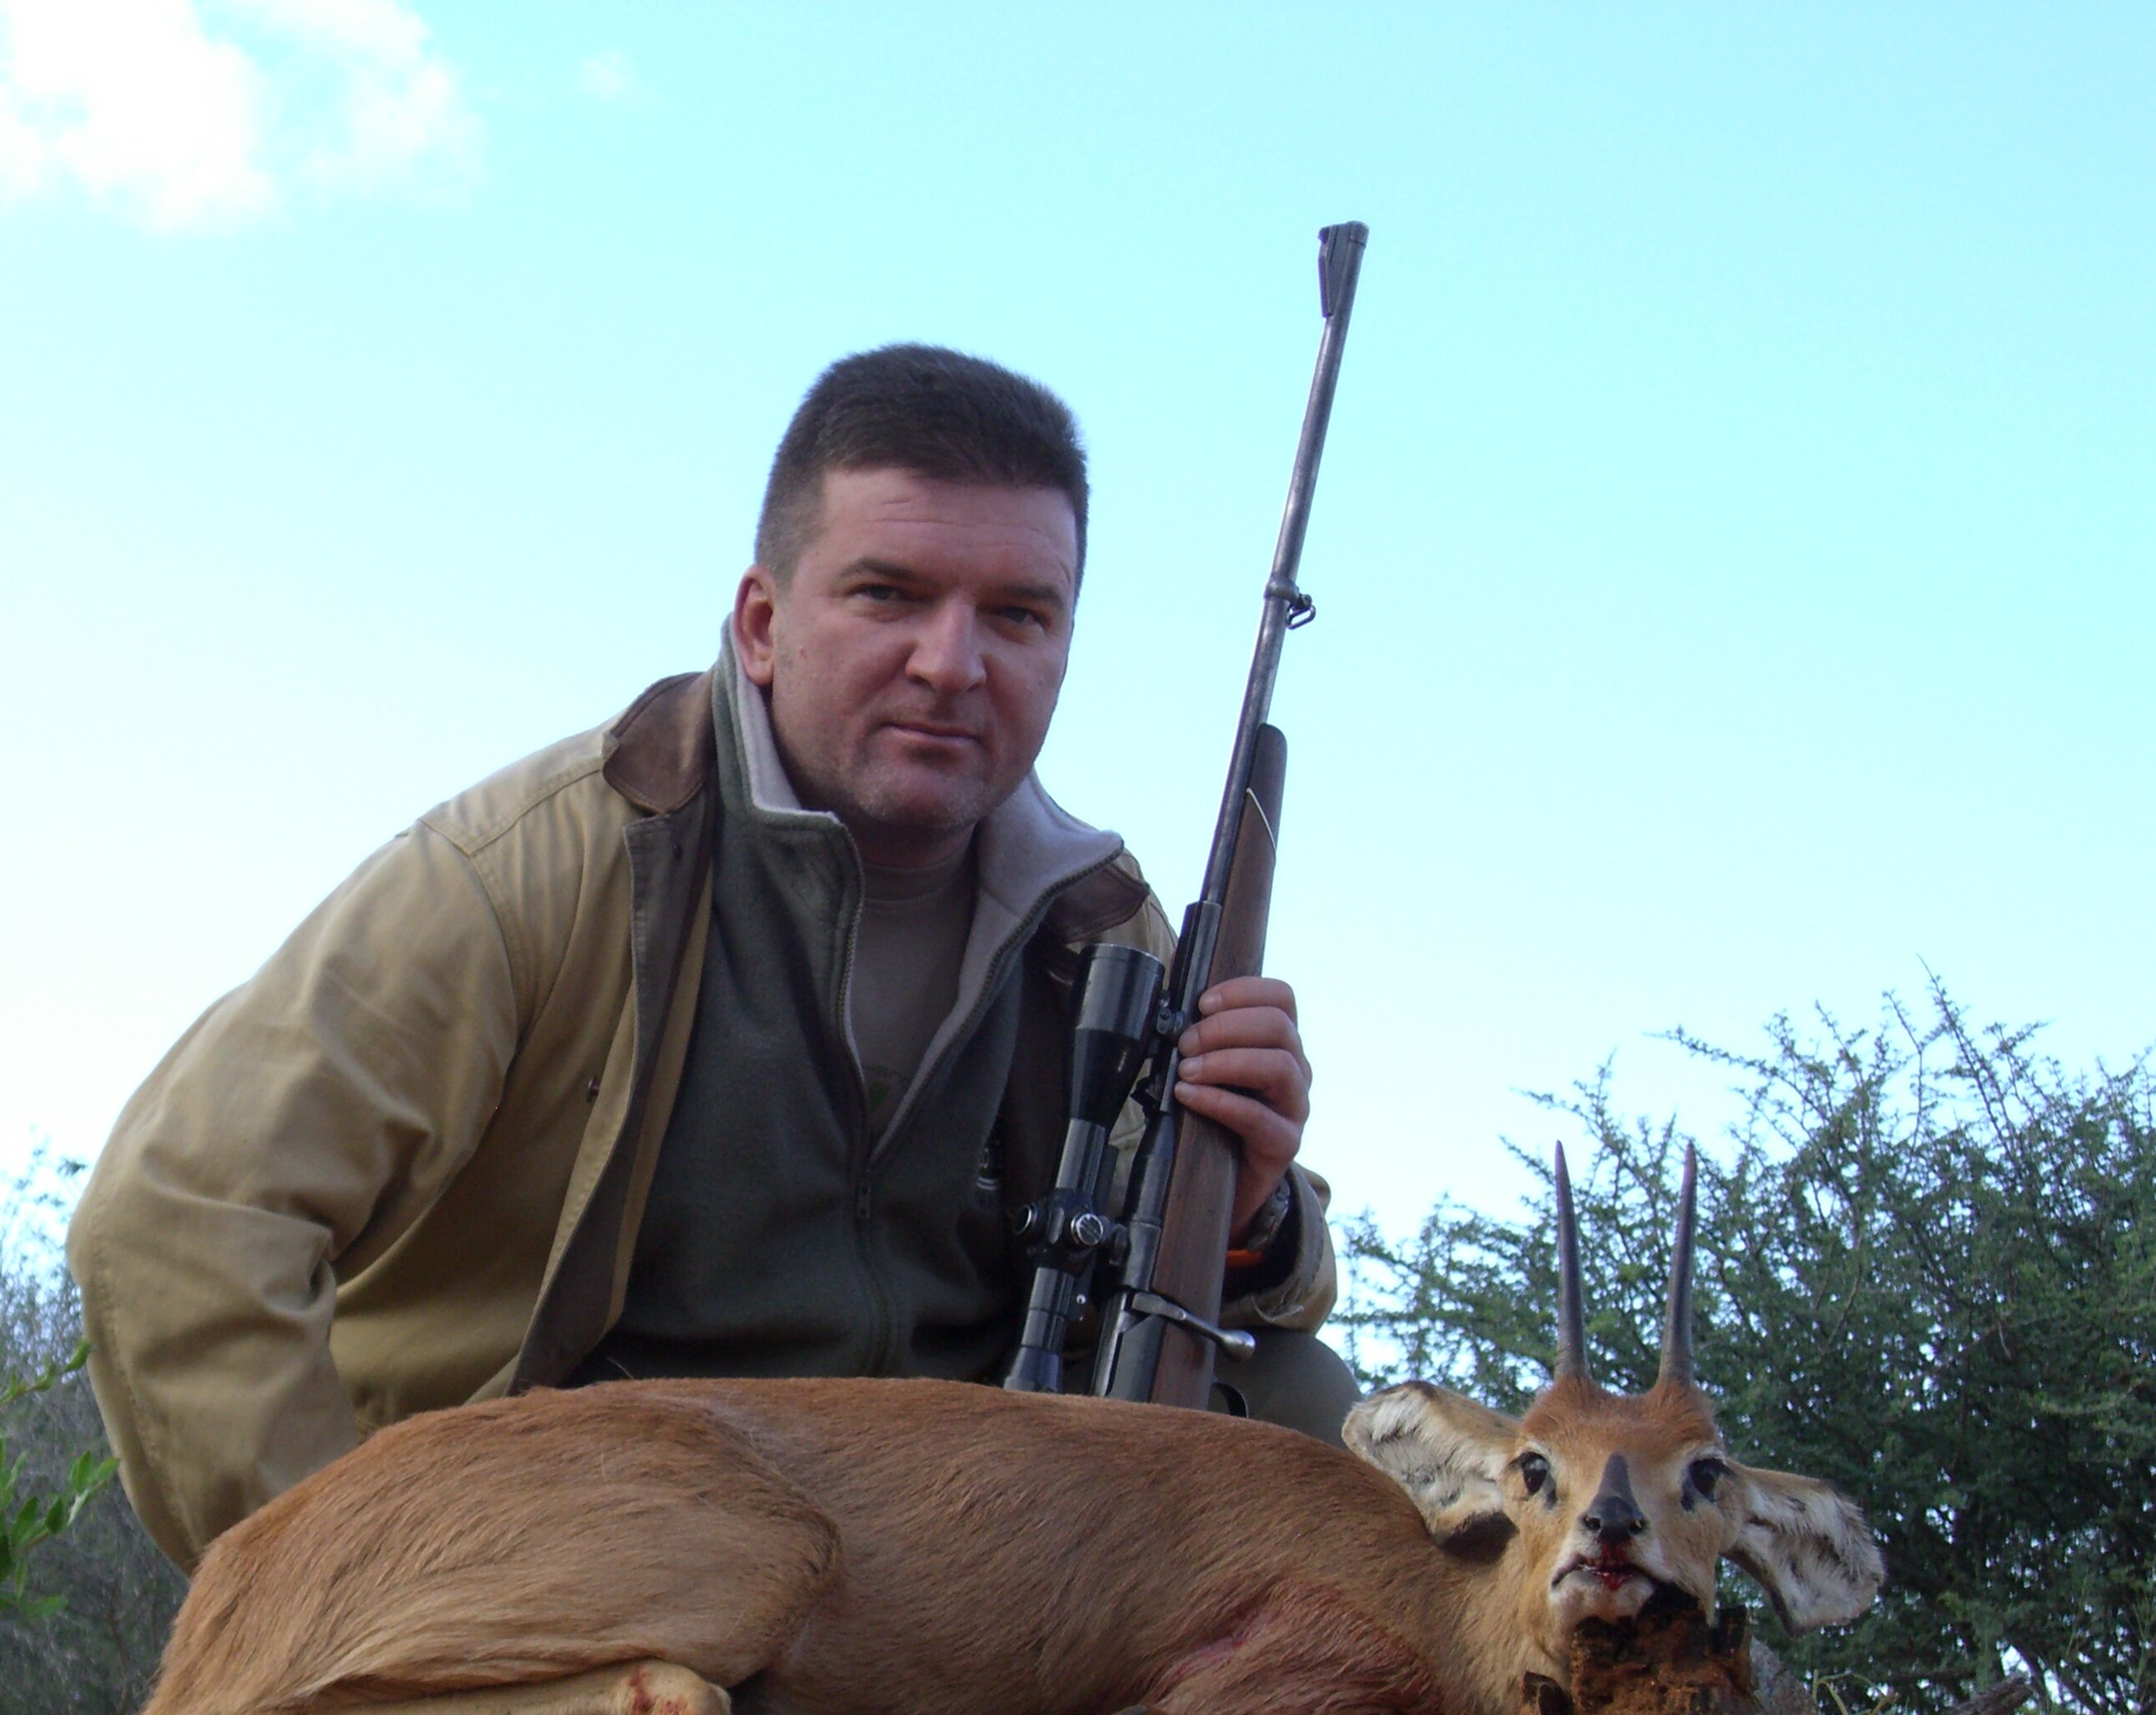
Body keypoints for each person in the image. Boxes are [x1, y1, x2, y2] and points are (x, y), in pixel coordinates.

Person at [71, 344, 1362, 1572]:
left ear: (1065, 648)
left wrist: (1248, 1215)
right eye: (888, 593)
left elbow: (1231, 1295)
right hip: (582, 1548)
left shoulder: (1104, 934)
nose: (952, 663)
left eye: (1018, 615)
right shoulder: (535, 867)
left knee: (1304, 1406)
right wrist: (347, 1594)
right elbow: (183, 1212)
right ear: (759, 621)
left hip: (955, 1570)